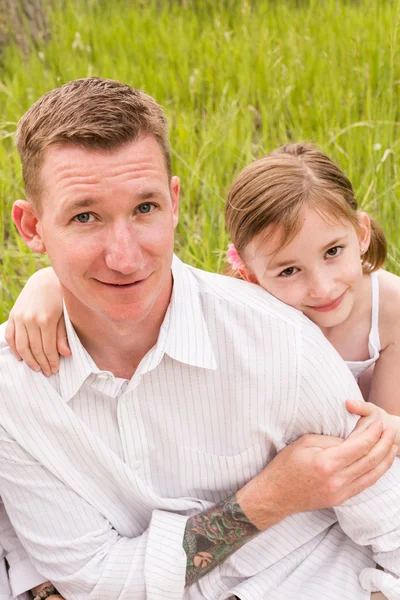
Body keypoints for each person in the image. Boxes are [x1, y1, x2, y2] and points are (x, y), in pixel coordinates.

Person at [0, 77, 398, 600]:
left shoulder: (282, 342)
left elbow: (389, 522)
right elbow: (97, 580)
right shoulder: (16, 390)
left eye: (145, 209)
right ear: (32, 227)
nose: (125, 257)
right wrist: (267, 499)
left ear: (174, 201)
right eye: (85, 216)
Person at [224, 142, 400, 441]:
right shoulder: (241, 322)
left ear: (361, 234)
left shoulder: (389, 307)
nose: (323, 288)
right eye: (289, 271)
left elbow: (387, 435)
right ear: (250, 277)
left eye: (333, 251)